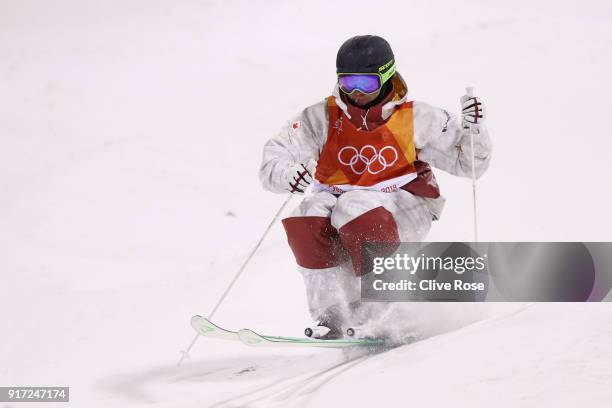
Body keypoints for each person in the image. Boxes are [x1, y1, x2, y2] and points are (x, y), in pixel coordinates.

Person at [259, 35, 492, 338]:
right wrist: (287, 174)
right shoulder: (322, 117)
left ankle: (388, 308)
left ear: (386, 77)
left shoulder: (415, 117)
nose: (356, 92)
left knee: (354, 206)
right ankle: (332, 314)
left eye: (366, 83)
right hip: (342, 205)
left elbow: (469, 164)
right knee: (307, 213)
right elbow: (273, 158)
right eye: (348, 82)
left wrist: (476, 131)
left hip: (405, 203)